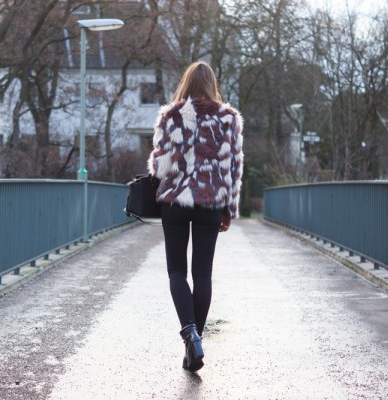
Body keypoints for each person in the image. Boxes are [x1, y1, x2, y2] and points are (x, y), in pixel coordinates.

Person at [147, 61, 244, 372]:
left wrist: (159, 165)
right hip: (210, 202)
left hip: (175, 201)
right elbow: (234, 168)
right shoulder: (228, 118)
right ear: (212, 84)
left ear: (186, 83)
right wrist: (229, 209)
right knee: (202, 274)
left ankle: (190, 335)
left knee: (177, 271)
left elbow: (161, 166)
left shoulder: (171, 115)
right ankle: (195, 341)